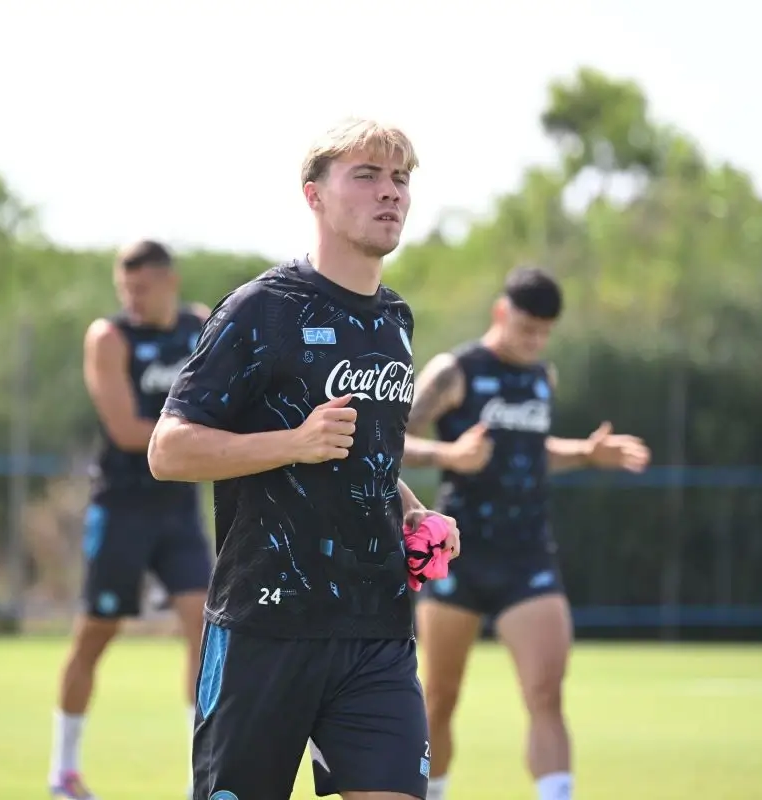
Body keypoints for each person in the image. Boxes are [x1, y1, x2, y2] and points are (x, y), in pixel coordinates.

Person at [149, 117, 460, 800]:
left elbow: (363, 453)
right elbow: (168, 450)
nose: (391, 194)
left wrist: (410, 509)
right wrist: (293, 443)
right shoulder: (260, 310)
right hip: (266, 629)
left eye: (401, 179)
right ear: (314, 194)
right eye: (368, 176)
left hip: (376, 630)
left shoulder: (394, 321)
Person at [401, 266, 652, 800]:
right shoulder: (455, 371)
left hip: (528, 555)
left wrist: (584, 453)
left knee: (545, 693)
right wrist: (450, 455)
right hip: (457, 551)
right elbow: (391, 440)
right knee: (439, 698)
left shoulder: (543, 376)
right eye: (524, 328)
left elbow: (529, 450)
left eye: (542, 332)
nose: (532, 340)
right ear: (500, 313)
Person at [49, 240, 214, 800]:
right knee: (96, 633)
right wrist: (210, 440)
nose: (132, 299)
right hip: (121, 507)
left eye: (142, 287)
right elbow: (124, 429)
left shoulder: (201, 326)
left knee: (206, 627)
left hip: (179, 509)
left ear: (170, 280)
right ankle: (63, 770)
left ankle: (202, 772)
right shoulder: (109, 338)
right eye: (126, 289)